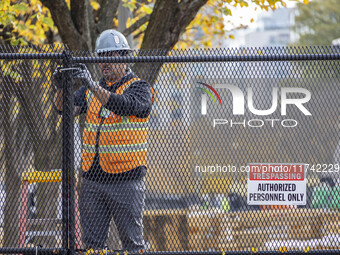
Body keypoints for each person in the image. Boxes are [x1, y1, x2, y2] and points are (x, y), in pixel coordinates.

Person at [53, 29, 153, 253]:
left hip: (126, 179)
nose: (104, 62)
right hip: (93, 179)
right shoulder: (90, 91)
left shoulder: (139, 88)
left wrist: (93, 87)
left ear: (124, 57)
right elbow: (64, 109)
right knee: (93, 247)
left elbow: (124, 105)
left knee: (132, 245)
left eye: (111, 56)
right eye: (101, 57)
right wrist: (60, 87)